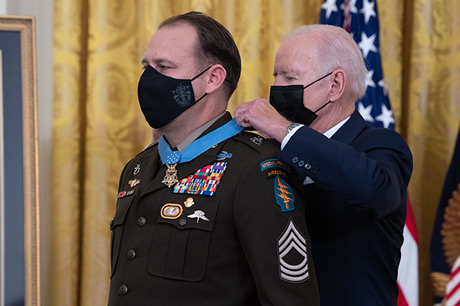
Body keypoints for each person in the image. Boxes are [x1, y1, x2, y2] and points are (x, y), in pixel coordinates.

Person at [108, 12, 320, 306]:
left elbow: (289, 299)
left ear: (213, 78)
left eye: (164, 67)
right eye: (147, 66)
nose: (149, 78)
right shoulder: (138, 167)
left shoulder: (256, 168)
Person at [235, 24, 413, 306]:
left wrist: (285, 130)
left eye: (290, 76)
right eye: (276, 75)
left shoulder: (381, 145)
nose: (277, 87)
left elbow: (376, 190)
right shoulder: (269, 151)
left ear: (335, 85)